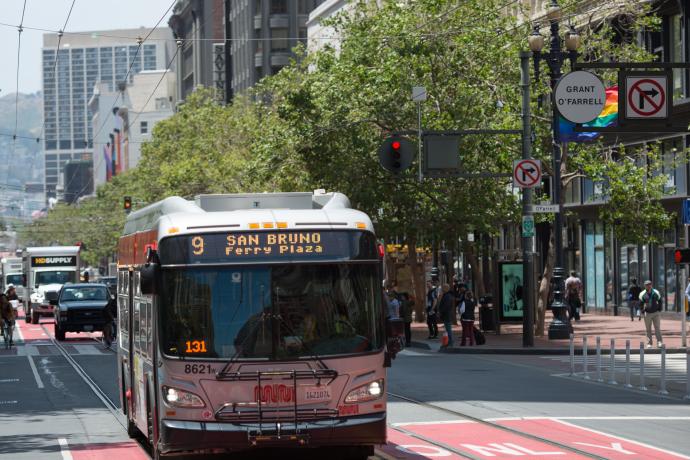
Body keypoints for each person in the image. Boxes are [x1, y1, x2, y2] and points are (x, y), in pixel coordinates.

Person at [639, 280, 663, 349]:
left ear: (651, 285)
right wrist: (642, 311)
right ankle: (649, 343)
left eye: (649, 284)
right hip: (647, 314)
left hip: (656, 313)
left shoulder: (656, 292)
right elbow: (640, 304)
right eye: (647, 285)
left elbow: (660, 301)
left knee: (657, 328)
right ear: (645, 286)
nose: (648, 286)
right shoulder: (642, 294)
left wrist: (659, 309)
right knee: (648, 329)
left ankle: (659, 342)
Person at [437, 284, 455, 348]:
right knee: (447, 329)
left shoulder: (447, 296)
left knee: (448, 329)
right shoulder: (446, 295)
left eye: (442, 288)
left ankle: (450, 342)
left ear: (445, 289)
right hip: (446, 314)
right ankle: (448, 342)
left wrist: (441, 311)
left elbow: (446, 306)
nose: (441, 289)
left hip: (446, 314)